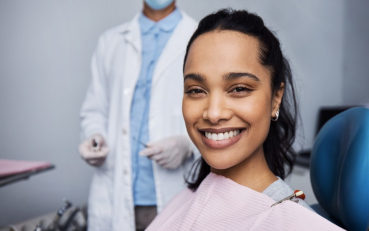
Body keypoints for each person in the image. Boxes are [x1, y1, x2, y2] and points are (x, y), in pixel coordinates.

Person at [146, 9, 343, 230]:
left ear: (276, 98)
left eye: (239, 88)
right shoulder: (187, 199)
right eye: (196, 90)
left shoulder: (293, 222)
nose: (213, 113)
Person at [78, 1, 197, 230]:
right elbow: (94, 110)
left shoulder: (198, 38)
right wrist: (95, 136)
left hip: (174, 193)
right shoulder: (111, 42)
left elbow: (214, 112)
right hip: (115, 196)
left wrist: (188, 145)